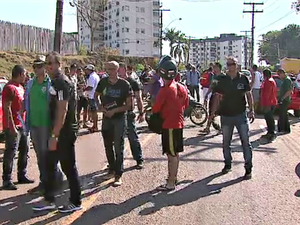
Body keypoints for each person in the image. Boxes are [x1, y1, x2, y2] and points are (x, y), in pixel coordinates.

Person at [33, 51, 81, 213]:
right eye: (46, 63)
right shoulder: (55, 82)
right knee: (49, 164)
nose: (48, 66)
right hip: (58, 131)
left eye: (51, 63)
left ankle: (75, 201)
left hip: (64, 132)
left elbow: (62, 111)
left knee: (68, 167)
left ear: (59, 64)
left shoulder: (61, 82)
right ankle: (49, 199)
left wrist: (55, 135)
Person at [210, 56, 254, 179]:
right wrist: (212, 114)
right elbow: (217, 97)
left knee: (246, 142)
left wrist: (252, 110)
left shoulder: (243, 78)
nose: (231, 66)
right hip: (226, 116)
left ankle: (248, 167)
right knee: (226, 143)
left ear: (237, 65)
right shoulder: (221, 79)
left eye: (233, 64)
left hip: (241, 115)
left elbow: (248, 95)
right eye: (229, 64)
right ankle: (227, 164)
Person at [25, 55, 63, 194]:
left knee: (49, 155)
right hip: (34, 124)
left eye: (40, 65)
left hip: (48, 124)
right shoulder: (30, 83)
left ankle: (56, 180)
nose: (36, 68)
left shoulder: (51, 83)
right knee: (40, 155)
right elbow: (27, 103)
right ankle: (45, 181)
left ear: (46, 67)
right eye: (34, 66)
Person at [152, 55, 189, 191]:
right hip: (178, 123)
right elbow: (186, 104)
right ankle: (173, 177)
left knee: (171, 154)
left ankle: (171, 182)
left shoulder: (165, 90)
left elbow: (156, 108)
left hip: (169, 125)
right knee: (174, 153)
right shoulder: (181, 87)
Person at [94, 61, 133, 186]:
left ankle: (118, 174)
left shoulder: (124, 84)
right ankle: (111, 169)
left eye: (112, 69)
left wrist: (115, 110)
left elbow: (129, 105)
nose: (109, 71)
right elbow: (95, 96)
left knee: (118, 146)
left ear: (117, 70)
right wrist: (100, 107)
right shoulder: (103, 82)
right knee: (107, 145)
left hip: (119, 119)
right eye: (107, 69)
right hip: (106, 118)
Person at [2, 65, 34, 190]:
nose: (26, 76)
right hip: (13, 126)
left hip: (23, 125)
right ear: (20, 74)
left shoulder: (21, 87)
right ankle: (7, 179)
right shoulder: (9, 88)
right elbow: (7, 108)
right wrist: (12, 127)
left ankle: (22, 175)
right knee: (11, 152)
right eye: (25, 74)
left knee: (24, 151)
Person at [118, 63, 145, 169]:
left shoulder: (132, 82)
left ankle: (139, 159)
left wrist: (141, 112)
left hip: (128, 114)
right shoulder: (115, 82)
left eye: (119, 70)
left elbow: (139, 98)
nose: (118, 73)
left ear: (125, 70)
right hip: (117, 114)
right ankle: (117, 162)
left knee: (133, 137)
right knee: (117, 140)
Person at [201, 62, 224, 134]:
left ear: (219, 68)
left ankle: (222, 128)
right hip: (214, 96)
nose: (214, 69)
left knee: (221, 113)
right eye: (213, 67)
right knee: (211, 112)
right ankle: (208, 127)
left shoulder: (223, 76)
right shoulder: (214, 76)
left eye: (215, 67)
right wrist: (207, 94)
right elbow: (212, 86)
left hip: (220, 97)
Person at [260, 69, 278, 142]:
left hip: (269, 103)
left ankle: (272, 133)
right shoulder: (270, 80)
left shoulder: (269, 81)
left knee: (269, 119)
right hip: (270, 102)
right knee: (268, 118)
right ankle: (269, 132)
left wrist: (264, 104)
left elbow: (267, 94)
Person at [84, 64, 100, 132]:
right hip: (94, 96)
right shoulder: (95, 75)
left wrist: (84, 89)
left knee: (94, 112)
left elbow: (90, 87)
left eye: (87, 70)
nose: (86, 71)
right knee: (94, 112)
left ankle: (95, 127)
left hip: (92, 96)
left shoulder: (92, 77)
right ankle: (94, 126)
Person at [277, 69, 293, 134]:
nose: (279, 76)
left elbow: (289, 91)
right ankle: (286, 129)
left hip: (285, 100)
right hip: (283, 99)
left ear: (282, 73)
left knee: (282, 115)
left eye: (279, 75)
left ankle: (282, 129)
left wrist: (282, 98)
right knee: (284, 115)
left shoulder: (287, 80)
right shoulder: (284, 80)